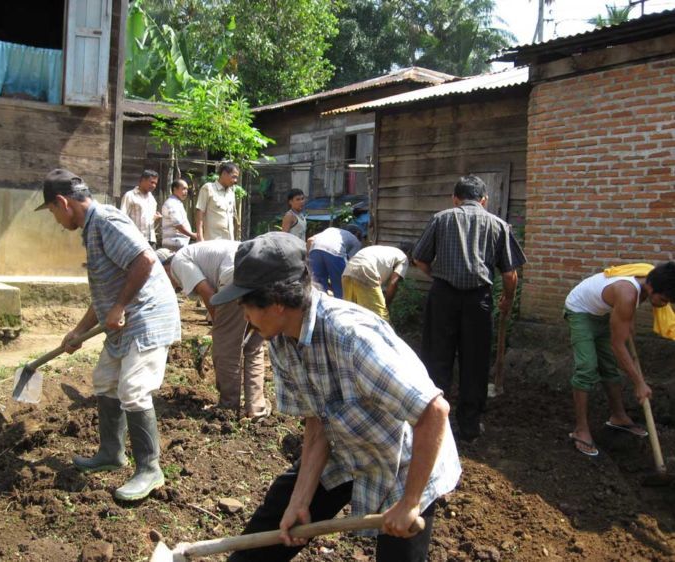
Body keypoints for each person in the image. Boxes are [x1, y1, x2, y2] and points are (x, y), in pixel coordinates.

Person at [210, 232, 461, 562]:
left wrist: (411, 502)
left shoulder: (352, 338)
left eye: (246, 305)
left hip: (406, 462)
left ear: (277, 303)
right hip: (346, 447)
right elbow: (317, 422)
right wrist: (300, 499)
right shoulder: (281, 340)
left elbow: (434, 411)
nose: (244, 316)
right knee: (270, 528)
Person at [36, 168, 180, 501]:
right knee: (104, 379)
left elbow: (144, 260)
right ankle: (111, 453)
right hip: (126, 318)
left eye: (53, 212)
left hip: (147, 316)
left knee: (134, 388)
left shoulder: (106, 221)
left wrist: (119, 307)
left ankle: (150, 469)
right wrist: (79, 331)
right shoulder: (91, 229)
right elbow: (105, 294)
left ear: (62, 202)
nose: (56, 220)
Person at [413, 175, 526, 442]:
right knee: (474, 363)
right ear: (484, 200)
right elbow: (511, 275)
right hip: (478, 300)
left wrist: (438, 276)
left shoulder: (442, 219)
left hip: (443, 298)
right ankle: (469, 427)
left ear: (455, 198)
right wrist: (507, 301)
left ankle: (432, 421)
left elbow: (419, 258)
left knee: (436, 358)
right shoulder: (499, 225)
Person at [565, 262, 675, 456]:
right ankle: (581, 429)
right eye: (664, 299)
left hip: (601, 313)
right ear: (651, 288)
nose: (665, 305)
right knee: (587, 367)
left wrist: (628, 327)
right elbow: (618, 346)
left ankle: (619, 417)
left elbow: (626, 318)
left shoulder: (648, 278)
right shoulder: (627, 293)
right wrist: (639, 383)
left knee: (609, 367)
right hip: (580, 310)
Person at [166, 240, 269, 419]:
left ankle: (228, 407)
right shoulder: (196, 252)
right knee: (254, 345)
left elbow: (207, 292)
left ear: (164, 268)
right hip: (263, 271)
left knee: (227, 346)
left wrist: (219, 326)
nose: (174, 288)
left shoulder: (178, 261)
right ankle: (256, 407)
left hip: (236, 275)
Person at [342, 243, 412, 321]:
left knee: (350, 312)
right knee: (382, 317)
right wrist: (386, 306)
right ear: (409, 253)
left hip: (348, 269)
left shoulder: (387, 251)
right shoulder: (404, 258)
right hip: (366, 269)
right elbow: (393, 283)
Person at [307, 225, 363, 298]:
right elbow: (352, 263)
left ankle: (317, 305)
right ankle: (341, 305)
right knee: (340, 285)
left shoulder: (331, 229)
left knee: (318, 284)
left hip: (315, 249)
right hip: (335, 252)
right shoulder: (355, 240)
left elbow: (310, 240)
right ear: (357, 234)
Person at [196, 162, 239, 241]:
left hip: (228, 241)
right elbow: (200, 214)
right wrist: (200, 238)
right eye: (234, 177)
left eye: (237, 178)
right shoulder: (208, 188)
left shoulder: (231, 192)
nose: (235, 181)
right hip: (212, 241)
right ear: (224, 174)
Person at [120, 169, 161, 248]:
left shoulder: (152, 199)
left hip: (151, 241)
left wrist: (156, 219)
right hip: (135, 240)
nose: (154, 186)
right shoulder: (130, 196)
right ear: (142, 180)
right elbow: (122, 218)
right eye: (151, 182)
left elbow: (150, 222)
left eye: (155, 183)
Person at [161, 178, 197, 252]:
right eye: (183, 189)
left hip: (178, 243)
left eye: (187, 189)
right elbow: (178, 225)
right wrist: (193, 235)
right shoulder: (172, 203)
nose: (186, 192)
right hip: (174, 244)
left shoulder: (177, 203)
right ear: (175, 189)